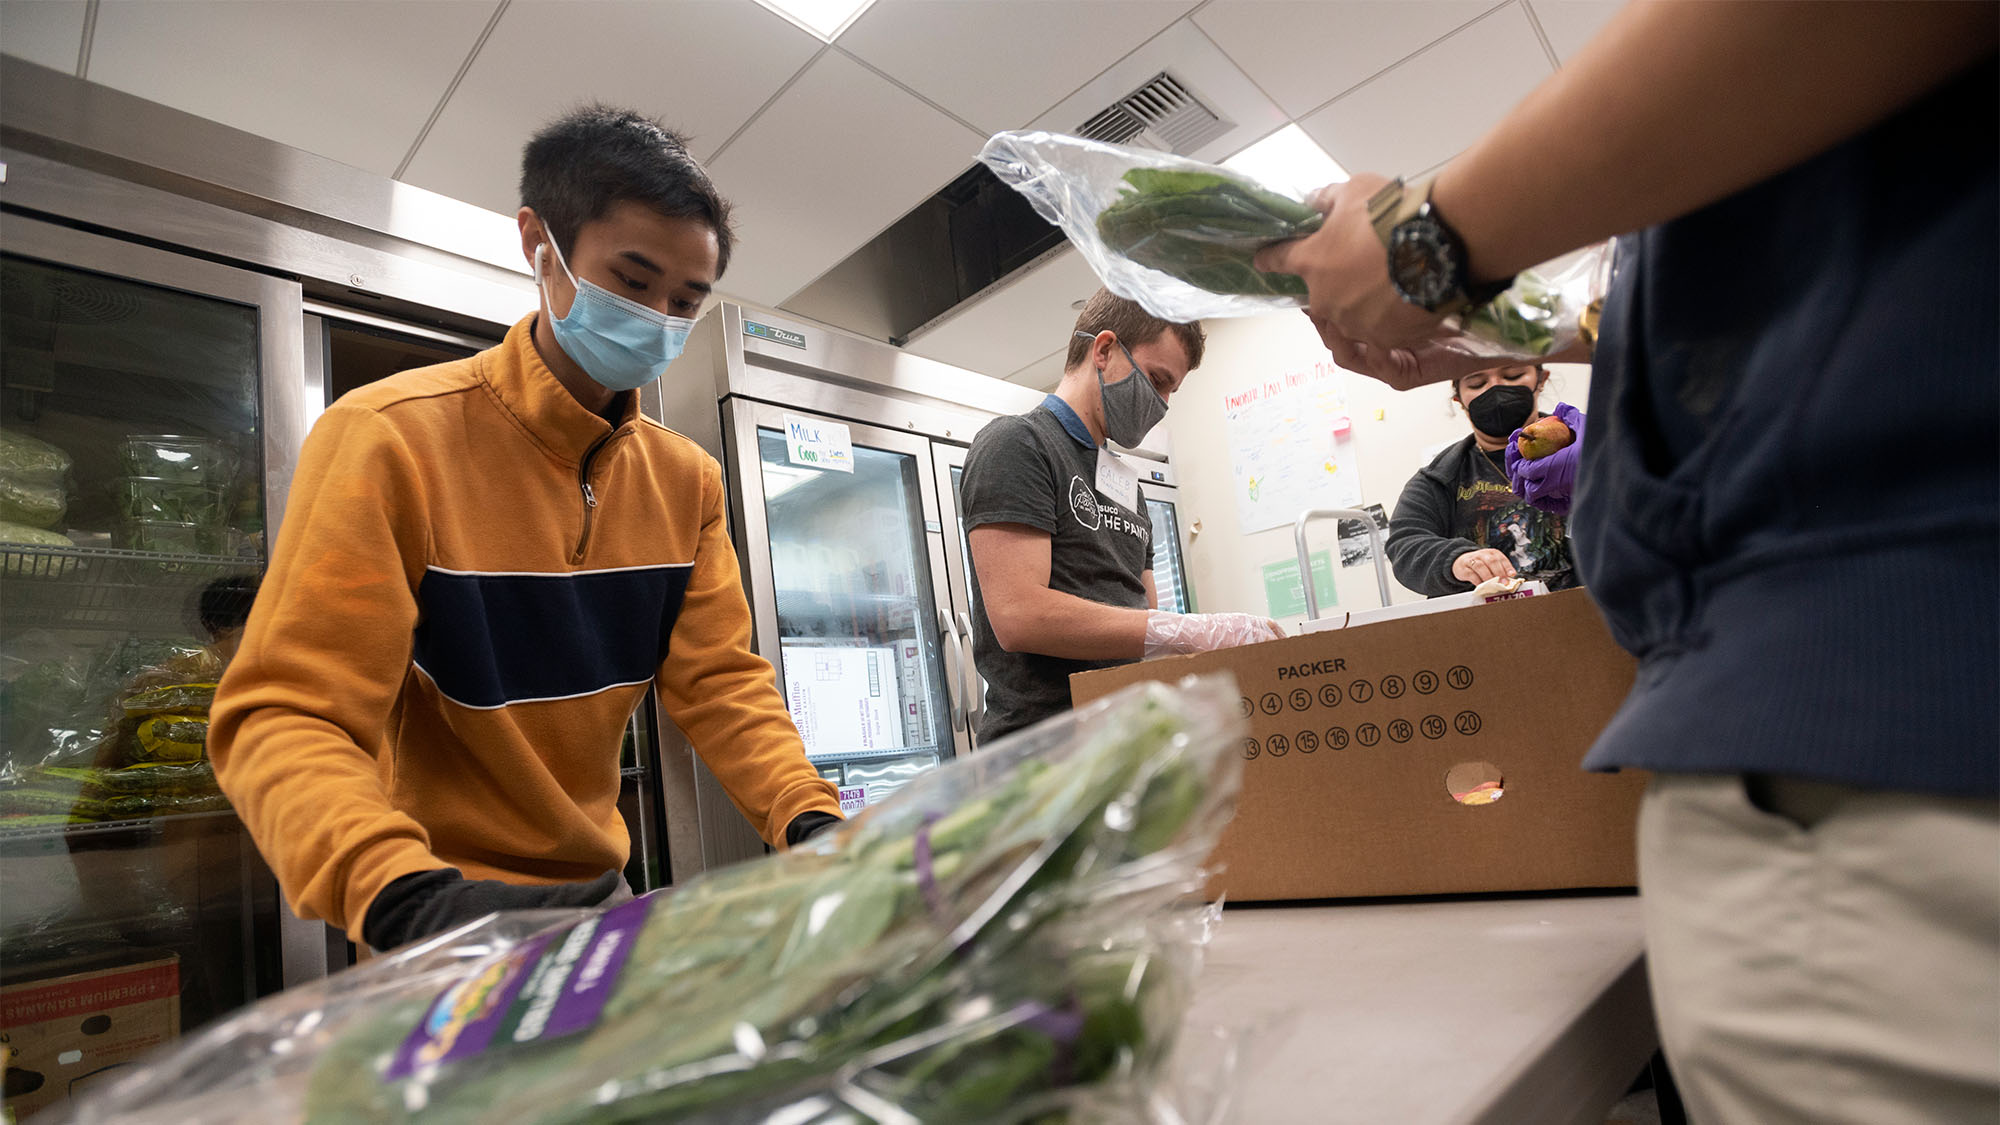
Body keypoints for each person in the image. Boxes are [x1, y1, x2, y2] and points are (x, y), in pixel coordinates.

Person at [1255, 4, 1997, 1121]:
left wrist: (1427, 242)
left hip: (1885, 727)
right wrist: (1525, 326)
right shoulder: (1445, 469)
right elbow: (1744, 285)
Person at [209, 106, 841, 953]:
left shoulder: (686, 481)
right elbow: (286, 714)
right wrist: (400, 897)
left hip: (601, 900)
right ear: (540, 245)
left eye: (685, 300)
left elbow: (723, 685)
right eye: (631, 280)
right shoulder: (390, 439)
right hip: (434, 909)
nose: (658, 315)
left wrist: (810, 819)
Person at [961, 290, 1283, 742]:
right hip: (1041, 752)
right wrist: (1190, 629)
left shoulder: (1128, 488)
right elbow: (1020, 615)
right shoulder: (1019, 445)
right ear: (1105, 350)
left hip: (1120, 742)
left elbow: (1141, 619)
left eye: (1171, 390)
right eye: (1156, 379)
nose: (1162, 402)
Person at [1384, 361, 1580, 596]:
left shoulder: (1588, 447)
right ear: (1459, 399)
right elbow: (1405, 545)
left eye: (1513, 374)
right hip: (1489, 626)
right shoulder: (1439, 478)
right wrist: (1457, 561)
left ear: (1541, 380)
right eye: (1477, 382)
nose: (1495, 388)